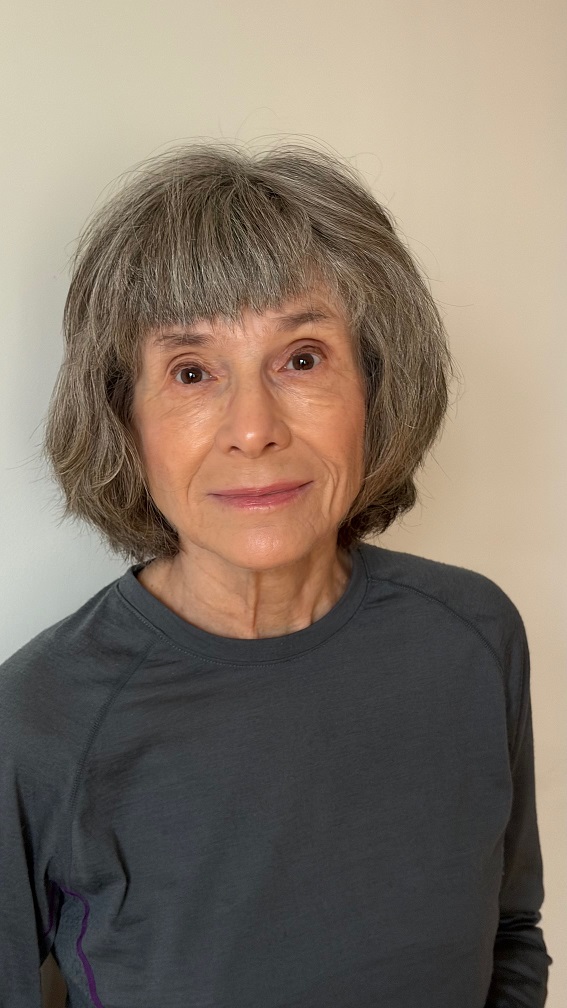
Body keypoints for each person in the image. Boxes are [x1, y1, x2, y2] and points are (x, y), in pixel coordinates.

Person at [0, 143, 551, 1007]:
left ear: (374, 383)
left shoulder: (474, 634)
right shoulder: (38, 720)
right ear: (123, 419)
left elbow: (510, 933)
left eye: (301, 358)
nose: (253, 428)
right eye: (191, 372)